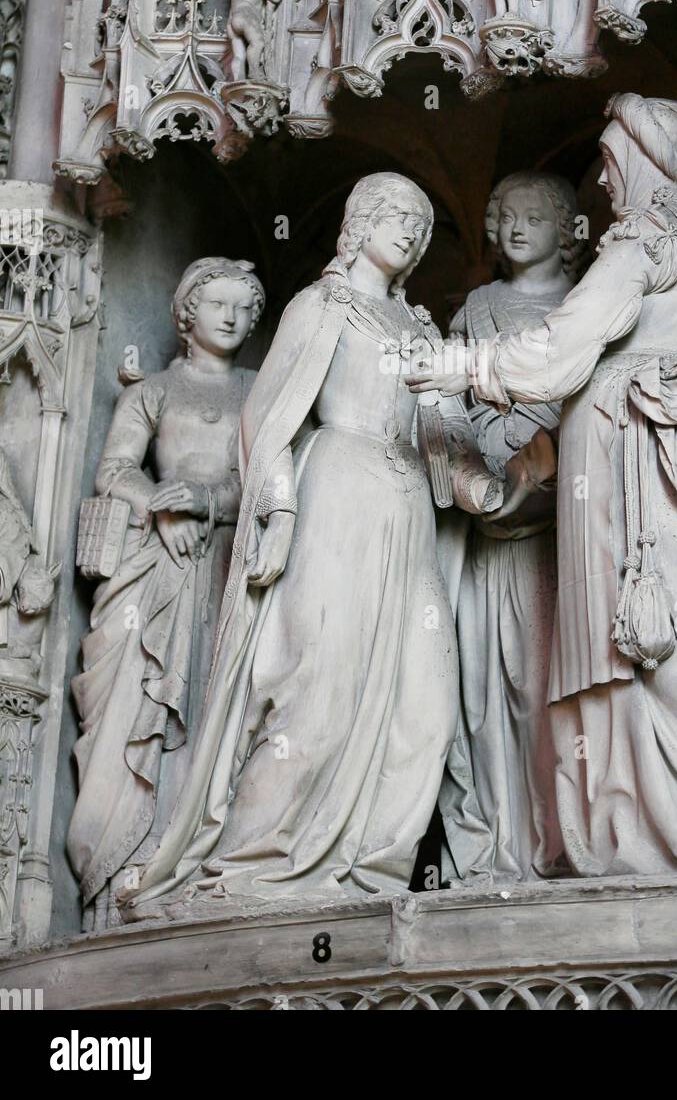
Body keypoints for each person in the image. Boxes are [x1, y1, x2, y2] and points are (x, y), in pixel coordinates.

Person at [411, 96, 677, 876]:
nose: (604, 184)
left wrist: (460, 366)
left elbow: (560, 349)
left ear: (647, 164)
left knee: (659, 645)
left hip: (643, 462)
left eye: (612, 163)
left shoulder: (646, 237)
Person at [122, 173, 500, 911]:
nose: (410, 231)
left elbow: (446, 444)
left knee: (424, 706)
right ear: (357, 223)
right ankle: (260, 864)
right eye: (394, 215)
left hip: (409, 510)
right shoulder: (322, 307)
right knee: (314, 687)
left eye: (420, 223)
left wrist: (493, 481)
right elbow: (270, 423)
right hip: (337, 493)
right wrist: (282, 514)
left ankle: (371, 868)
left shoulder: (422, 329)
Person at [68, 258, 264, 920]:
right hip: (155, 569)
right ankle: (131, 863)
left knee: (217, 710)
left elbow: (274, 479)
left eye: (243, 307)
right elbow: (115, 468)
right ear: (187, 314)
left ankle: (193, 863)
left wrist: (208, 502)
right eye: (217, 305)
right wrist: (160, 502)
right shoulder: (151, 391)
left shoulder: (261, 392)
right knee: (134, 707)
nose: (232, 317)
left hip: (231, 566)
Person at [442, 172, 583, 884]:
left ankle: (563, 843)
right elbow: (448, 405)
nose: (518, 227)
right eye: (507, 216)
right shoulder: (478, 306)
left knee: (546, 684)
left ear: (569, 228)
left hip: (563, 532)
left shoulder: (585, 305)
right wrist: (479, 474)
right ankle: (500, 850)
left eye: (535, 215)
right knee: (483, 688)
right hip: (490, 522)